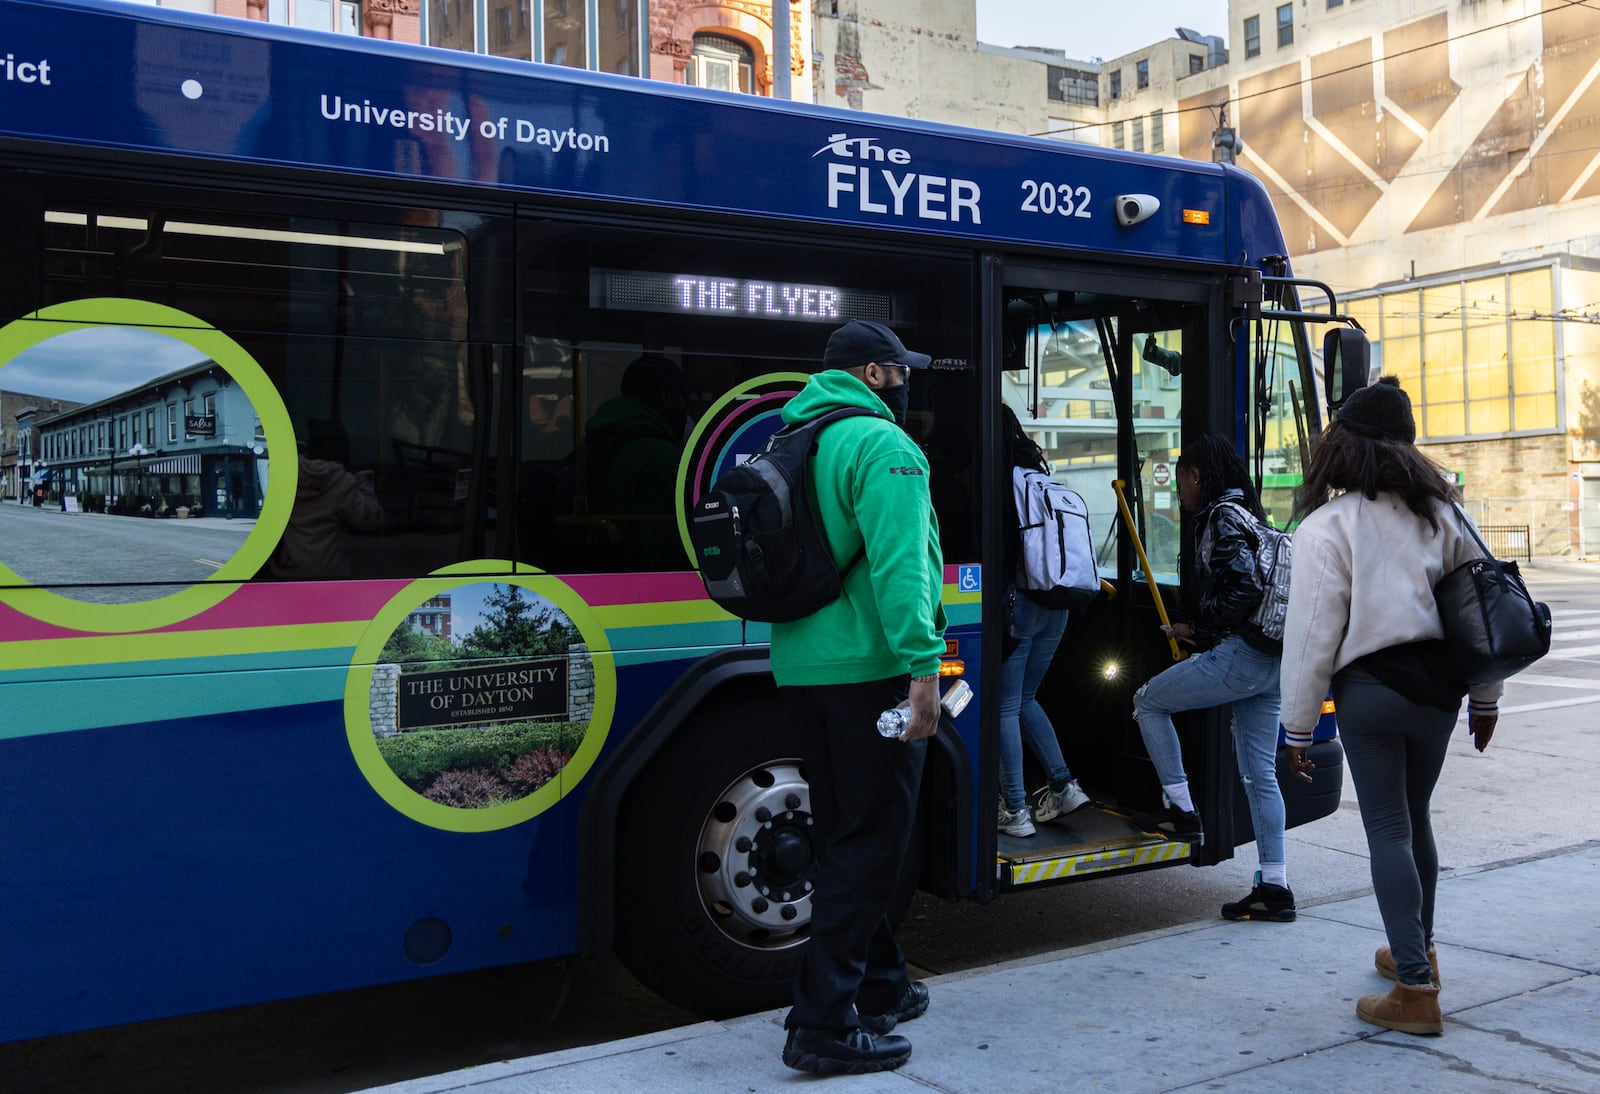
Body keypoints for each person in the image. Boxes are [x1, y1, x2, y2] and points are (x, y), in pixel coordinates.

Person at [1280, 376, 1500, 1036]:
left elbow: (1313, 633)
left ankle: (1415, 989)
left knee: (1386, 827)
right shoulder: (1448, 516)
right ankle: (1418, 951)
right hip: (1437, 693)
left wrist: (1296, 727)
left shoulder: (1329, 525)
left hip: (1369, 695)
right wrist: (1485, 701)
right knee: (1415, 819)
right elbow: (1487, 613)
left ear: (1342, 449)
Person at [772, 319, 946, 1076]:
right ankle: (821, 1024)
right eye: (901, 370)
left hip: (801, 671)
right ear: (875, 375)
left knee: (846, 833)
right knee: (874, 844)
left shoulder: (793, 441)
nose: (909, 383)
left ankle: (880, 985)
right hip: (870, 670)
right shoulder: (884, 448)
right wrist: (924, 669)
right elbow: (901, 567)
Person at [1129, 432, 1296, 922]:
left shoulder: (1221, 518)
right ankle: (1275, 886)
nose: (1180, 491)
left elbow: (1242, 587)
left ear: (1196, 476)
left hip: (1241, 657)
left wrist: (1196, 630)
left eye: (1182, 479)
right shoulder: (1250, 514)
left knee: (1149, 701)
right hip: (1274, 664)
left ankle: (1181, 812)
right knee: (1261, 775)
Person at [996, 405, 1090, 837]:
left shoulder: (997, 480)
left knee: (1004, 706)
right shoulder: (1040, 474)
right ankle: (1064, 784)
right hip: (1060, 602)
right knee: (1026, 699)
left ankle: (1015, 810)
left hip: (1022, 603)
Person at [267, 420, 384, 579]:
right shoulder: (342, 482)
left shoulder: (286, 475)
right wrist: (365, 484)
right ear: (341, 451)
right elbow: (370, 518)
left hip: (285, 572)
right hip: (329, 575)